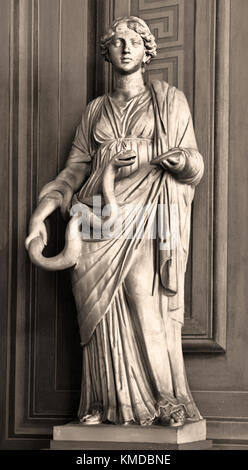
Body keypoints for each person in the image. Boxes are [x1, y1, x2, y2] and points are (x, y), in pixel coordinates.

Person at [25, 16, 204, 427]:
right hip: (95, 218)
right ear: (106, 52)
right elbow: (73, 171)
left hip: (143, 215)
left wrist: (178, 161)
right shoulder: (95, 111)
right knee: (100, 314)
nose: (125, 48)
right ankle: (109, 404)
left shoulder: (169, 101)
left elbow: (194, 162)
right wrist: (43, 210)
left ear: (146, 52)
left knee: (143, 301)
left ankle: (165, 398)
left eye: (134, 42)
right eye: (117, 42)